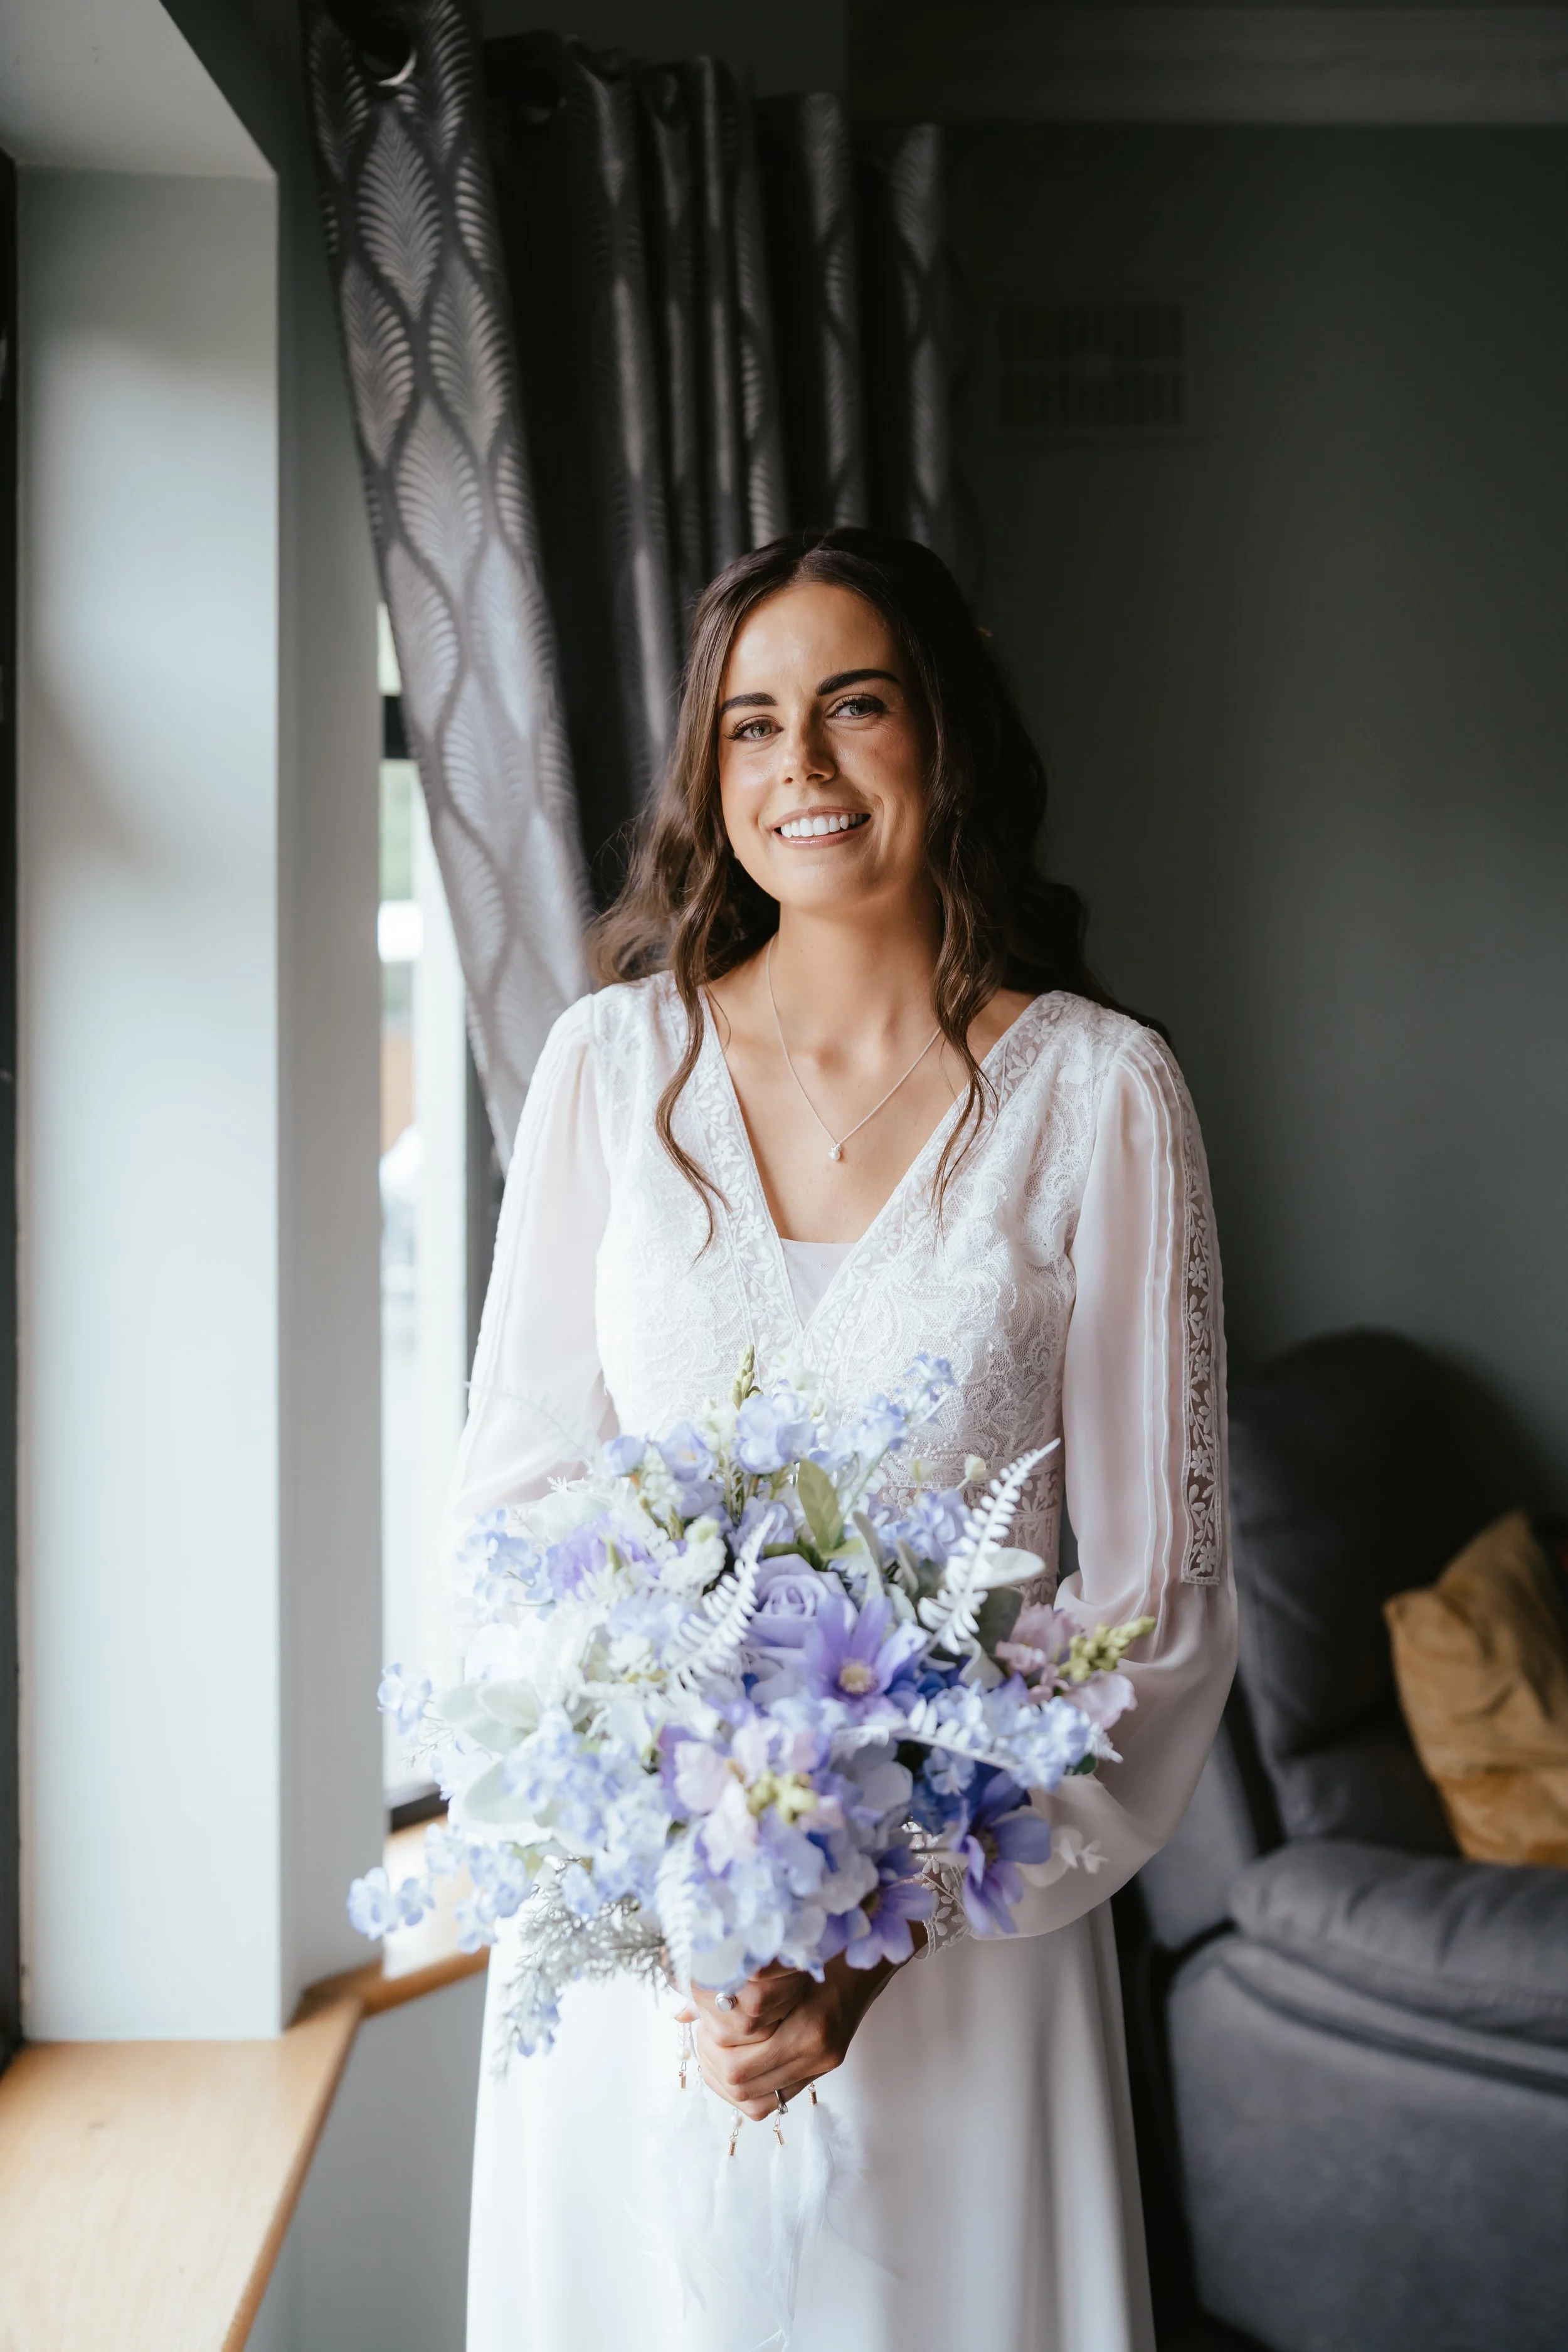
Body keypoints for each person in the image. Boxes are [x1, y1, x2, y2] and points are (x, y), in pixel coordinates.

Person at [455, 527, 1236, 2352]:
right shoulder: (608, 1068)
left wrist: (876, 1927)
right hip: (650, 1957)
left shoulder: (1101, 1101)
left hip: (964, 1966)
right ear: (703, 772)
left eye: (850, 707)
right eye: (747, 724)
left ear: (942, 733)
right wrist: (671, 1876)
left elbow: (1152, 1614)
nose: (796, 767)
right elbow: (512, 1496)